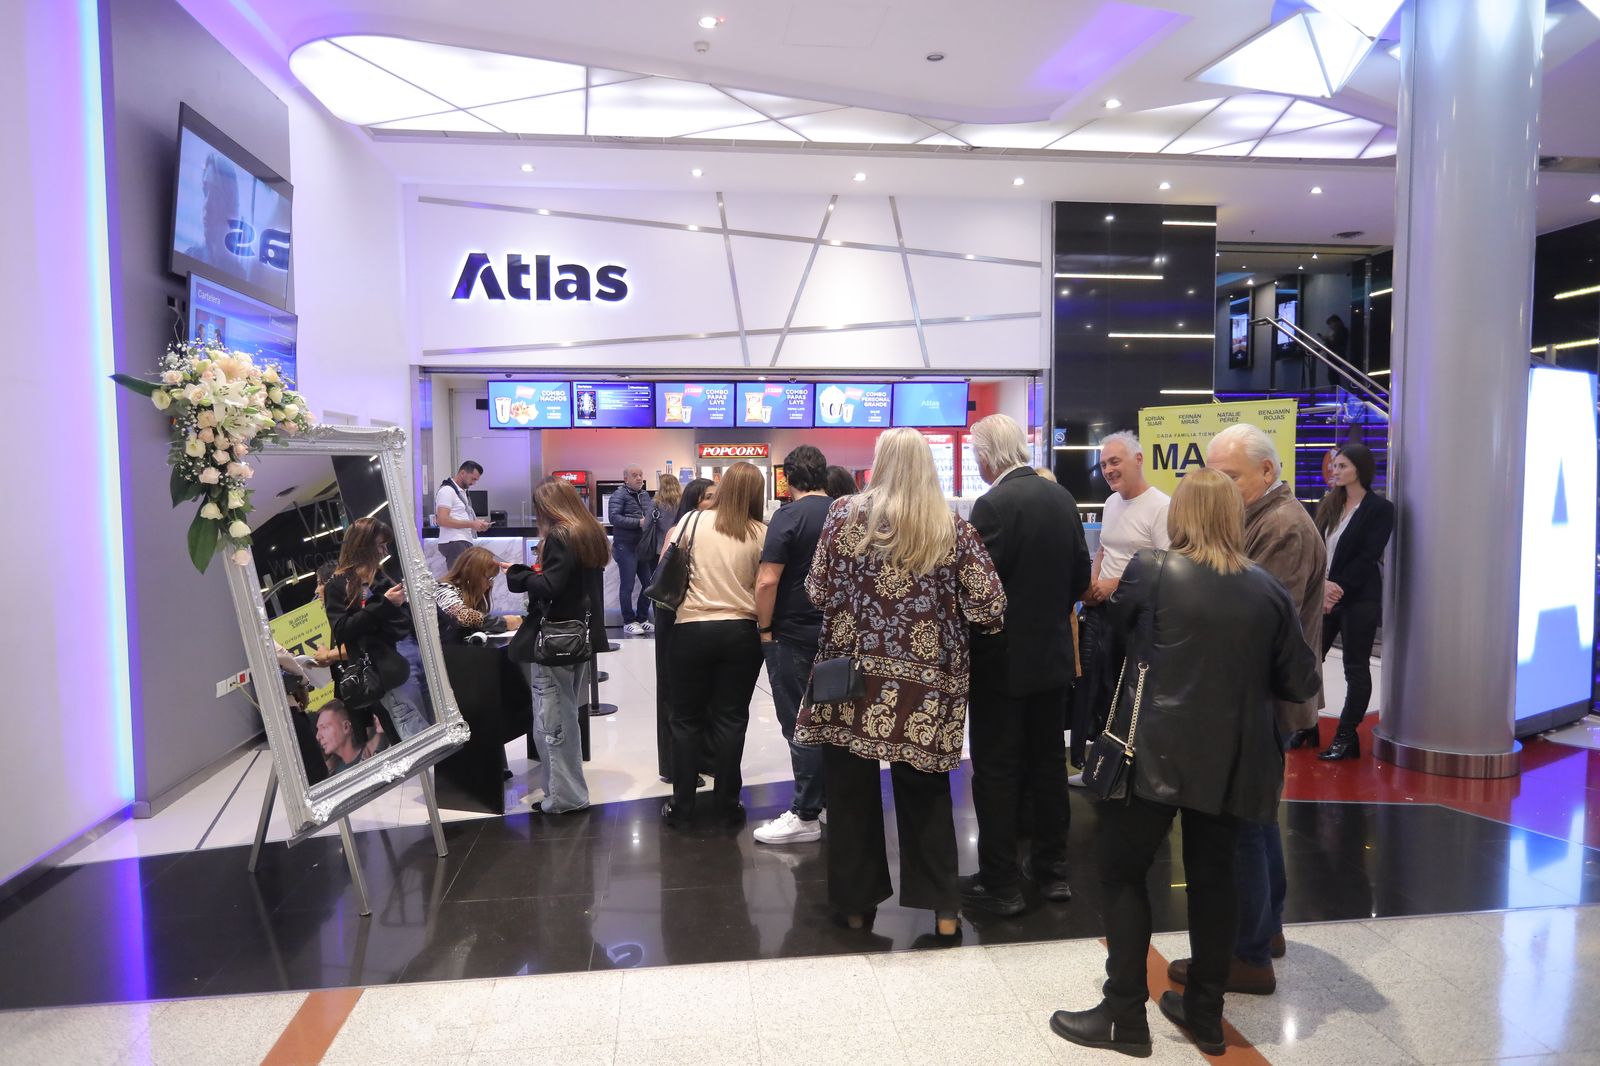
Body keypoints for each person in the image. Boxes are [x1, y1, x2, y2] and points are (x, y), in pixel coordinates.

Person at [1049, 468, 1319, 1058]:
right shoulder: (1267, 590)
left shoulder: (1152, 570)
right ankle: (1206, 1015)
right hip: (1231, 765)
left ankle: (1124, 1016)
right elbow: (1300, 680)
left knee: (1123, 873)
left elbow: (1113, 635)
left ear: (1181, 515)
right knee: (1214, 883)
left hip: (1151, 754)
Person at [796, 429, 1006, 943]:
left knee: (850, 793)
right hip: (927, 685)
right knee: (927, 794)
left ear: (880, 462)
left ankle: (854, 907)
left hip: (852, 680)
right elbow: (989, 605)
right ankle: (944, 910)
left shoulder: (843, 515)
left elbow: (817, 591)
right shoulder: (951, 527)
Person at [1162, 424, 1325, 998]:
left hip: (1264, 702)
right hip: (1258, 699)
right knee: (1256, 822)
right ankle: (1263, 930)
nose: (1221, 487)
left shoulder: (1282, 527)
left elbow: (1255, 620)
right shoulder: (1265, 519)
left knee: (1246, 828)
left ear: (1267, 471)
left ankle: (1247, 954)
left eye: (1229, 476)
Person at [960, 415, 1091, 915]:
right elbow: (1081, 577)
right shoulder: (1061, 498)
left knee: (996, 770)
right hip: (1053, 658)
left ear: (986, 455)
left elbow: (978, 590)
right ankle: (1052, 871)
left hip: (1002, 663)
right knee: (1048, 766)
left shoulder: (992, 505)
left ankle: (1001, 882)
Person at [660, 462, 767, 828]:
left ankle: (682, 804)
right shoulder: (760, 531)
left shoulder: (692, 521)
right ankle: (727, 803)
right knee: (731, 719)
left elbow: (665, 562)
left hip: (691, 629)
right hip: (741, 632)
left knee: (685, 720)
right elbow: (765, 583)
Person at [506, 478, 610, 813]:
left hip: (556, 639)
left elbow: (551, 586)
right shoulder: (588, 531)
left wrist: (520, 575)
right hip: (577, 636)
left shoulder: (561, 535)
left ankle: (565, 798)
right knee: (563, 714)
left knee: (553, 721)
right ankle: (565, 791)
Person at [1072, 431, 1170, 777]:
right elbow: (1105, 548)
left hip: (1135, 618)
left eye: (1115, 461)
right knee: (1095, 691)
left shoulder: (1161, 507)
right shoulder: (1112, 502)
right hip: (1101, 612)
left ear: (1138, 459)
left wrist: (1113, 584)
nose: (1108, 470)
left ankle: (1129, 772)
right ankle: (1098, 767)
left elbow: (1165, 567)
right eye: (1103, 465)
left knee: (1126, 695)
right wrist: (1093, 583)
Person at [752, 445, 833, 845]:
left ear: (787, 479)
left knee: (799, 722)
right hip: (838, 634)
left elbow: (768, 580)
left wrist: (765, 629)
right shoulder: (846, 512)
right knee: (834, 722)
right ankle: (831, 801)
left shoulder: (788, 517)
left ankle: (805, 814)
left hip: (794, 633)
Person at [1314, 442, 1394, 761]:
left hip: (1359, 598)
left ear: (1359, 469)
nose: (1335, 471)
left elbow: (1368, 556)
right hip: (1324, 595)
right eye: (1334, 465)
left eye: (1342, 466)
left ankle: (1346, 736)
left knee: (1355, 668)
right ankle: (1306, 725)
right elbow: (1319, 548)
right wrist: (1322, 587)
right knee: (1309, 661)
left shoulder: (1380, 509)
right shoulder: (1330, 504)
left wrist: (1337, 589)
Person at [324, 518, 434, 742]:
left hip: (415, 653)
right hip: (388, 666)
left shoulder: (381, 576)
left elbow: (401, 618)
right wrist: (384, 604)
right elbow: (342, 630)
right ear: (362, 545)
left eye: (386, 545)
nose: (384, 551)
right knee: (418, 733)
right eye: (380, 545)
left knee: (435, 721)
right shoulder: (338, 584)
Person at [653, 476, 717, 784]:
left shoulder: (718, 530)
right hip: (672, 614)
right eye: (709, 497)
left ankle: (705, 758)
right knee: (674, 693)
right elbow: (664, 574)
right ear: (694, 502)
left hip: (700, 618)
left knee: (705, 691)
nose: (715, 502)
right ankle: (675, 765)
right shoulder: (679, 529)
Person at [608, 465, 661, 635]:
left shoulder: (645, 495)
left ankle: (642, 618)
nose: (639, 478)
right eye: (634, 475)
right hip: (625, 546)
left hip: (642, 546)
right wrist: (638, 522)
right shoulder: (618, 495)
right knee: (628, 585)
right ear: (626, 479)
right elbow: (614, 518)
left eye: (640, 475)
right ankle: (628, 621)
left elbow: (650, 514)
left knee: (649, 584)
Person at [435, 546, 522, 643]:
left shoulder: (465, 592)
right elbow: (463, 616)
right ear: (470, 573)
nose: (489, 585)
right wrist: (504, 622)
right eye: (488, 578)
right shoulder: (442, 589)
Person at [435, 461, 490, 569]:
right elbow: (442, 520)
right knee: (459, 578)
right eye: (473, 479)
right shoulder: (447, 491)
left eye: (476, 480)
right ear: (462, 473)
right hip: (454, 541)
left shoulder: (462, 492)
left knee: (466, 577)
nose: (473, 483)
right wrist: (472, 524)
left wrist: (476, 525)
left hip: (462, 541)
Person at [314, 700, 385, 774]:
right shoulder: (334, 774)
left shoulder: (379, 752)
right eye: (318, 729)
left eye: (324, 727)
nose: (318, 736)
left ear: (346, 727)